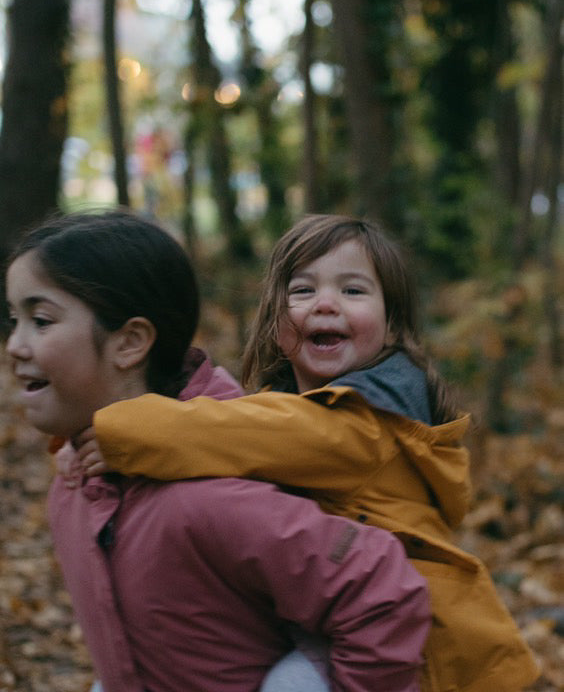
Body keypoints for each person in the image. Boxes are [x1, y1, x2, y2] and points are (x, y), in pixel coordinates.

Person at [75, 214, 539, 692]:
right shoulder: (284, 413)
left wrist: (120, 429)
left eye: (353, 291)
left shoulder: (362, 427)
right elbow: (234, 422)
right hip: (327, 619)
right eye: (302, 291)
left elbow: (238, 433)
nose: (325, 304)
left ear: (392, 327)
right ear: (276, 322)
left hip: (414, 645)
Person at [5, 209, 431, 692]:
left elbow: (383, 594)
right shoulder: (76, 488)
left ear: (130, 342)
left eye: (40, 320)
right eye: (12, 319)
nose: (14, 345)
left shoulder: (207, 497)